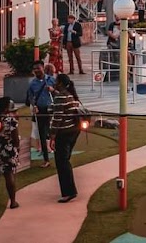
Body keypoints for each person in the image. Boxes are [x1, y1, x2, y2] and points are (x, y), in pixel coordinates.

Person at [48, 74, 81, 202]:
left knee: (62, 163)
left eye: (56, 81)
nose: (54, 82)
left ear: (60, 83)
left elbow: (57, 118)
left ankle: (69, 192)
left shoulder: (61, 96)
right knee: (64, 161)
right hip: (73, 131)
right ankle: (69, 190)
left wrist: (52, 136)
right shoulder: (70, 95)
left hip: (64, 133)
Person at [26, 60, 55, 168]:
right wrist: (34, 106)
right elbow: (30, 97)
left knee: (52, 132)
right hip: (40, 110)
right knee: (42, 135)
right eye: (34, 69)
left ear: (43, 68)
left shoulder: (51, 80)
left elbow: (58, 92)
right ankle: (46, 160)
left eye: (38, 68)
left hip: (51, 109)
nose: (36, 70)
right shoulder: (32, 83)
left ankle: (58, 154)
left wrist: (52, 90)